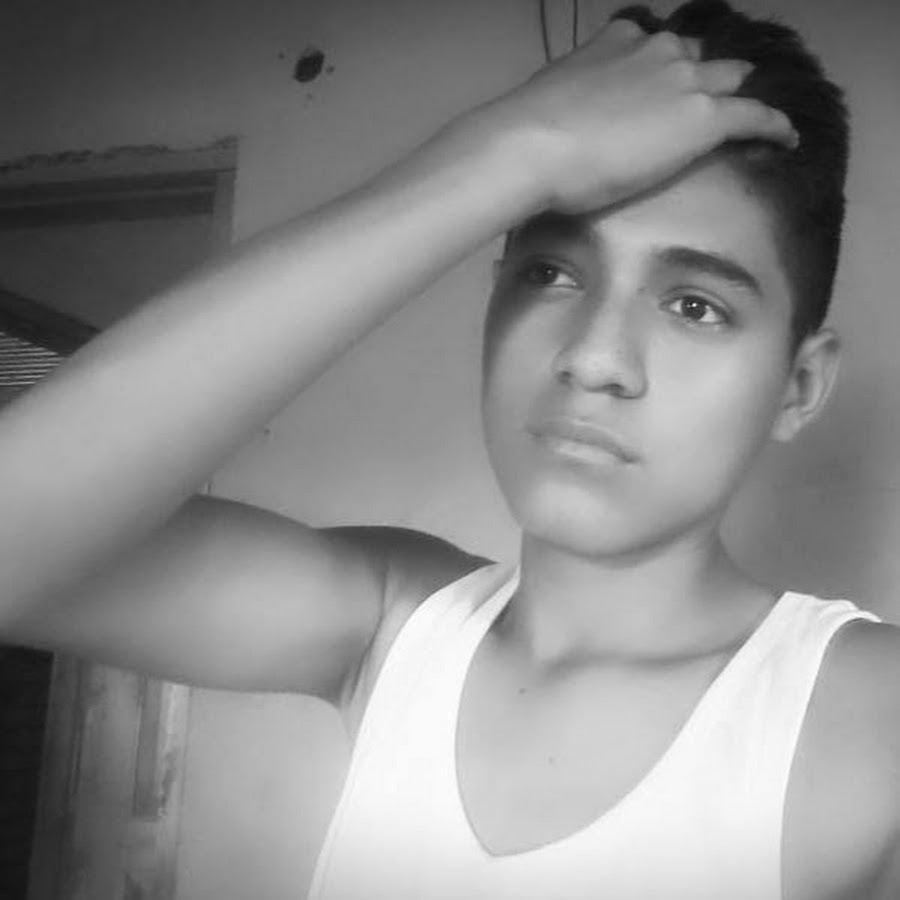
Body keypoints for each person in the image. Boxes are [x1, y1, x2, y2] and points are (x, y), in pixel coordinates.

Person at [1, 0, 898, 896]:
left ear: (798, 386)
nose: (593, 358)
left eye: (695, 306)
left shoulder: (871, 715)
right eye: (551, 272)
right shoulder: (392, 628)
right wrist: (506, 152)